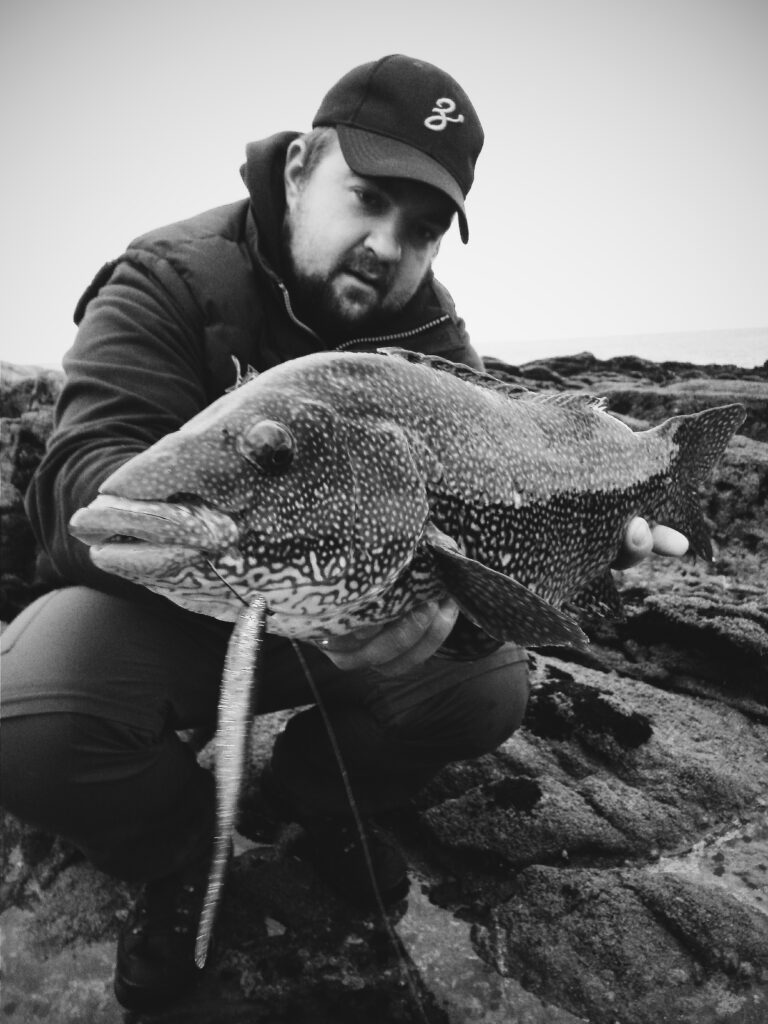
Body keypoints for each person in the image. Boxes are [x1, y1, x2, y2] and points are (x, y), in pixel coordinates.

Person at [0, 54, 687, 1012]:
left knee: (486, 688)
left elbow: (502, 503)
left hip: (361, 600)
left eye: (423, 228)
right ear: (298, 167)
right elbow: (78, 482)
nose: (387, 243)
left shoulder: (432, 340)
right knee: (28, 715)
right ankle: (182, 855)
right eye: (367, 197)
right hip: (176, 603)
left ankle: (312, 799)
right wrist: (217, 550)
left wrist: (585, 540)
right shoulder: (167, 279)